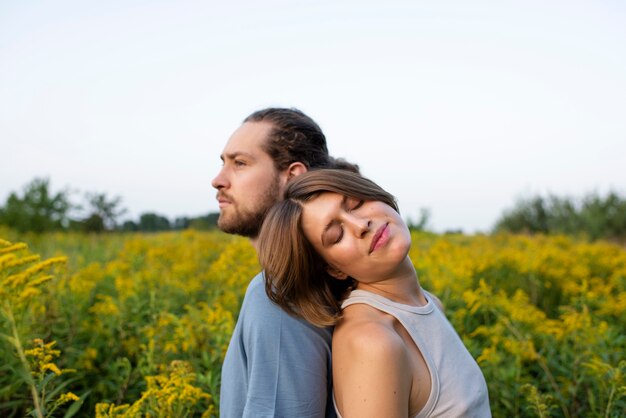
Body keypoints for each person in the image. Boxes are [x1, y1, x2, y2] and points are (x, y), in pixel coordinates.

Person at [258, 169, 491, 418]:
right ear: (334, 269)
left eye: (356, 204)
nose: (361, 225)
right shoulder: (372, 342)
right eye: (336, 236)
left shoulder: (429, 304)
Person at [212, 107, 356, 418]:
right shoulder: (333, 274)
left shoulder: (281, 292)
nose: (218, 180)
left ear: (291, 177)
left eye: (240, 163)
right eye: (222, 163)